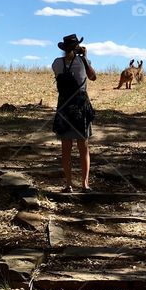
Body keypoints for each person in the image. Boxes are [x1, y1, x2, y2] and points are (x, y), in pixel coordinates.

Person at [52, 33, 97, 192]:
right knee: (83, 146)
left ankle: (69, 184)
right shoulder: (82, 62)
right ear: (77, 47)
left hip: (64, 105)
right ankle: (85, 184)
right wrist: (85, 57)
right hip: (80, 106)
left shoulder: (56, 63)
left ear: (63, 48)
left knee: (66, 147)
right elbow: (92, 77)